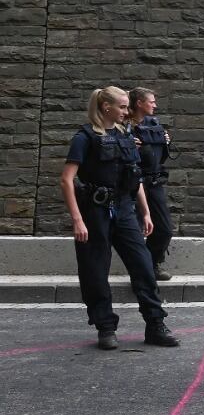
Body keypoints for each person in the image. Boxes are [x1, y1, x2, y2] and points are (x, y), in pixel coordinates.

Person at [59, 86, 179, 350]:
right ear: (106, 108)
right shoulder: (85, 137)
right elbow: (67, 180)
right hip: (94, 211)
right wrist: (77, 220)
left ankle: (155, 324)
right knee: (95, 271)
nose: (128, 111)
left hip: (124, 209)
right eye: (123, 107)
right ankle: (106, 327)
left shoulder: (126, 136)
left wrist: (145, 211)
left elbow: (134, 177)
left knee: (144, 266)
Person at [126, 87, 174, 281]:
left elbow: (159, 158)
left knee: (164, 229)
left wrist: (166, 143)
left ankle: (153, 263)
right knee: (133, 231)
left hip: (153, 182)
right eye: (151, 101)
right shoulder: (123, 126)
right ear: (139, 103)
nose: (155, 105)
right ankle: (140, 271)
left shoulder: (153, 124)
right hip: (131, 183)